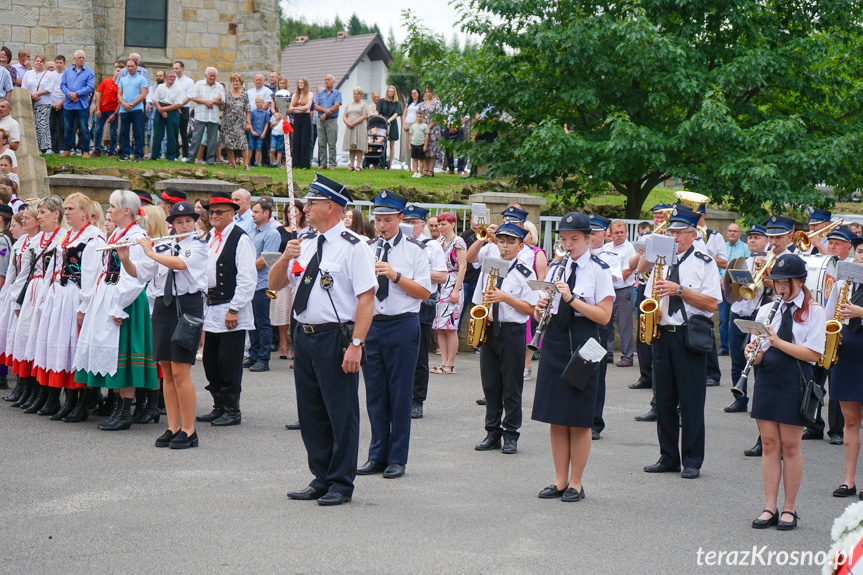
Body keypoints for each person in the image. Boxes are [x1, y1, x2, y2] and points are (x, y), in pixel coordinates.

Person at [270, 173, 375, 506]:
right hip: (305, 334)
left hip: (336, 335)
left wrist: (356, 344)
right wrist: (286, 257)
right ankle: (321, 476)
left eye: (312, 203)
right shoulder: (305, 242)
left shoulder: (354, 247)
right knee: (311, 410)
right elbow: (274, 285)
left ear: (330, 206)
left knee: (341, 413)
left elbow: (366, 299)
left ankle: (341, 483)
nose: (306, 208)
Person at [532, 212, 614, 502]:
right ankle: (559, 479)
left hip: (585, 340)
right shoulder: (556, 269)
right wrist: (541, 307)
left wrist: (571, 299)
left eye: (574, 239)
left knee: (578, 418)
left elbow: (604, 317)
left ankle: (576, 483)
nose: (568, 245)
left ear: (588, 239)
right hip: (555, 339)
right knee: (557, 416)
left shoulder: (599, 270)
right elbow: (539, 312)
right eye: (564, 240)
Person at [638, 205, 721, 479]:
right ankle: (668, 457)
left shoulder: (704, 261)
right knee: (664, 400)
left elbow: (711, 303)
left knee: (691, 402)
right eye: (671, 231)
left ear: (692, 234)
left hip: (688, 335)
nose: (673, 236)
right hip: (662, 333)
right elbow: (648, 291)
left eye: (678, 232)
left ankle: (693, 460)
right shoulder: (662, 259)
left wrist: (680, 291)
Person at [746, 254, 826, 530]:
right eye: (776, 282)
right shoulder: (767, 309)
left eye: (785, 283)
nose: (778, 288)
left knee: (791, 447)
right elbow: (759, 354)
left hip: (796, 380)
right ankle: (770, 506)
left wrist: (777, 341)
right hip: (768, 378)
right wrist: (752, 353)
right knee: (769, 444)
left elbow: (814, 354)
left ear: (800, 281)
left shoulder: (815, 311)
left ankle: (790, 507)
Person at [356, 190, 431, 479]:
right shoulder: (367, 248)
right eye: (378, 220)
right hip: (373, 325)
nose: (382, 226)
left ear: (401, 219)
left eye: (387, 220)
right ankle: (377, 454)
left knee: (399, 394)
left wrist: (394, 275)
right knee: (375, 394)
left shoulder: (415, 250)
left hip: (402, 324)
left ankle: (397, 458)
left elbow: (424, 292)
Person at [74, 190, 158, 430]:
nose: (108, 211)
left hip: (125, 300)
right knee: (111, 355)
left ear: (126, 211)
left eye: (112, 207)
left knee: (125, 357)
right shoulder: (118, 233)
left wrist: (119, 306)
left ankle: (124, 411)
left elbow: (137, 276)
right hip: (108, 295)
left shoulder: (138, 237)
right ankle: (118, 408)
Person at [126, 201, 208, 448]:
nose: (184, 225)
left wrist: (150, 252)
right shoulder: (164, 245)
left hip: (188, 307)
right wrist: (125, 257)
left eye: (188, 221)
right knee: (168, 373)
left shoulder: (200, 247)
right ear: (171, 225)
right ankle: (172, 427)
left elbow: (181, 265)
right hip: (163, 308)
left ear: (194, 223)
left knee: (182, 372)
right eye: (179, 222)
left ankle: (189, 430)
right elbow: (140, 272)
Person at [29, 194, 105, 421]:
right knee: (58, 344)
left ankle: (80, 401)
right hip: (58, 296)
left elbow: (91, 275)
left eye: (71, 208)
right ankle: (63, 399)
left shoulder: (93, 238)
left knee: (74, 347)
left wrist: (84, 305)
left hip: (75, 297)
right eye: (66, 208)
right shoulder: (67, 236)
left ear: (85, 212)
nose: (67, 212)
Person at [472, 224, 539, 454]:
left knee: (511, 387)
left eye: (511, 242)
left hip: (512, 332)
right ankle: (492, 432)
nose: (505, 246)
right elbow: (479, 298)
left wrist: (505, 298)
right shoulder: (489, 267)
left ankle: (511, 434)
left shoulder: (525, 273)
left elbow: (532, 310)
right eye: (501, 241)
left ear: (520, 247)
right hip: (489, 329)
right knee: (491, 386)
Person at [196, 192, 256, 427]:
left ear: (232, 214)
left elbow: (247, 278)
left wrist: (235, 308)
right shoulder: (211, 237)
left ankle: (232, 409)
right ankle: (218, 405)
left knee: (228, 362)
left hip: (230, 308)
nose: (214, 216)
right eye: (211, 212)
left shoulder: (240, 239)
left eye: (220, 212)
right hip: (212, 307)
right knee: (211, 361)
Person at [10, 196, 66, 415]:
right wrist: (17, 297)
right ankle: (32, 390)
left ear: (56, 214)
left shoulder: (63, 237)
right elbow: (25, 270)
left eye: (42, 212)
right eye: (39, 212)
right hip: (32, 290)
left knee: (43, 341)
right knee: (29, 340)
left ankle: (47, 395)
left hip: (48, 290)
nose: (39, 216)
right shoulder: (38, 239)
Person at [804, 225, 853, 444]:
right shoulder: (819, 264)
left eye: (837, 244)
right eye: (830, 243)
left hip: (840, 329)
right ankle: (813, 425)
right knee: (815, 379)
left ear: (849, 248)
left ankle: (836, 429)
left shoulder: (850, 269)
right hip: (818, 325)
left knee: (836, 382)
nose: (832, 247)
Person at [826, 237, 863, 498]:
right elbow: (829, 317)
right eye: (861, 252)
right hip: (847, 353)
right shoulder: (843, 282)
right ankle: (849, 480)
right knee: (850, 419)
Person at [403, 205, 447, 419]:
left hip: (424, 302)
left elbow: (441, 276)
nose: (410, 227)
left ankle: (417, 400)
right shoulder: (399, 245)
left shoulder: (432, 247)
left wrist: (416, 273)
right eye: (407, 223)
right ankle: (401, 396)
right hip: (402, 301)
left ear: (423, 225)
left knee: (419, 354)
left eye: (414, 224)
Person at [726, 224, 771, 414]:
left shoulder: (771, 262)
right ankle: (740, 398)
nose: (752, 240)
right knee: (737, 358)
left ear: (766, 241)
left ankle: (762, 402)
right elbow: (732, 289)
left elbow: (773, 286)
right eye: (750, 237)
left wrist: (765, 273)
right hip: (738, 312)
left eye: (757, 237)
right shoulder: (741, 261)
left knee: (759, 360)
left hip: (758, 314)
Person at [244, 199, 281, 372]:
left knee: (263, 322)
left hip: (264, 284)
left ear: (266, 213)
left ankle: (263, 359)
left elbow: (268, 259)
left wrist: (244, 267)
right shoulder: (252, 232)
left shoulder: (272, 234)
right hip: (251, 283)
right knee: (252, 322)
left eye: (256, 212)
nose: (252, 214)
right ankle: (253, 355)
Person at [431, 212, 466, 375]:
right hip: (440, 285)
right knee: (440, 327)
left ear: (453, 224)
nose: (440, 227)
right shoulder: (438, 242)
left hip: (452, 284)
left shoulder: (458, 242)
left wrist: (456, 290)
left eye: (443, 224)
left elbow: (463, 267)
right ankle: (443, 361)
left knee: (450, 326)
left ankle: (450, 364)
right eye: (439, 224)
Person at [604, 219, 637, 367]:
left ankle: (628, 357)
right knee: (606, 324)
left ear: (626, 233)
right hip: (607, 291)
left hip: (623, 290)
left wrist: (608, 280)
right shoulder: (606, 247)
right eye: (616, 232)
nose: (619, 235)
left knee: (624, 325)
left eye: (622, 232)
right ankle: (607, 353)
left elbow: (627, 271)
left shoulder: (630, 249)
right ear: (610, 233)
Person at [718, 223, 750, 355]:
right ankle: (724, 347)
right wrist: (720, 279)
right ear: (726, 233)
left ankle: (736, 347)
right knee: (723, 319)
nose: (732, 233)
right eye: (730, 231)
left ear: (739, 234)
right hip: (723, 287)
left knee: (737, 317)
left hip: (739, 288)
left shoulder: (746, 248)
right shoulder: (721, 248)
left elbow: (747, 266)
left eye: (735, 231)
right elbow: (716, 266)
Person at [184, 67, 224, 166]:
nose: (212, 77)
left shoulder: (219, 86)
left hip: (213, 116)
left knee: (212, 140)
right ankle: (190, 158)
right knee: (196, 139)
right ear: (206, 75)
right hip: (200, 115)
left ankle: (210, 160)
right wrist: (206, 102)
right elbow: (194, 97)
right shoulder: (198, 84)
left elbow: (223, 101)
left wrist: (213, 101)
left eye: (214, 76)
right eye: (211, 75)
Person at [60, 51, 95, 158]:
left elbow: (90, 87)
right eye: (79, 57)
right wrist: (70, 94)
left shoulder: (90, 72)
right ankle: (67, 150)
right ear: (74, 59)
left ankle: (85, 151)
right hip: (69, 104)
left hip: (82, 105)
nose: (81, 59)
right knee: (68, 129)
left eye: (83, 58)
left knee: (84, 129)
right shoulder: (67, 72)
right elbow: (63, 85)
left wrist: (77, 94)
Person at [22, 55, 57, 154]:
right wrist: (31, 95)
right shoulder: (28, 73)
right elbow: (24, 87)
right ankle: (32, 147)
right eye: (37, 61)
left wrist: (37, 94)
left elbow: (49, 88)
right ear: (34, 62)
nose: (38, 63)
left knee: (41, 125)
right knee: (31, 125)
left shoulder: (49, 74)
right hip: (30, 102)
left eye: (41, 61)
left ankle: (43, 148)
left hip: (43, 102)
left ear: (44, 63)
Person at [116, 58, 149, 162]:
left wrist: (132, 104)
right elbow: (119, 94)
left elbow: (143, 94)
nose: (130, 68)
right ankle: (125, 154)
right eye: (128, 66)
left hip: (137, 109)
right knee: (124, 132)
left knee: (138, 132)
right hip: (124, 109)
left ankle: (138, 155)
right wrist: (124, 104)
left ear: (136, 67)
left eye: (132, 66)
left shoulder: (141, 79)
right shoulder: (123, 79)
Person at [220, 73, 252, 169]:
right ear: (231, 82)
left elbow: (248, 109)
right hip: (227, 122)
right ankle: (233, 163)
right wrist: (219, 102)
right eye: (233, 81)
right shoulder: (226, 94)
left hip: (239, 122)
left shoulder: (244, 95)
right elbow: (222, 107)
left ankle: (246, 164)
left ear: (240, 82)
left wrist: (248, 122)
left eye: (237, 81)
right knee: (228, 143)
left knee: (243, 143)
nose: (235, 83)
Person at [150, 70, 183, 161]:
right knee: (157, 133)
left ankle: (171, 156)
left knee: (172, 134)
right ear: (166, 78)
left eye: (174, 77)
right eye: (170, 76)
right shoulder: (160, 87)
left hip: (172, 111)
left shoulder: (178, 89)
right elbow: (155, 100)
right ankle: (154, 155)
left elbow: (177, 104)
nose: (172, 79)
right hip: (160, 109)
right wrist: (160, 110)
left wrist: (163, 110)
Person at [92, 62, 122, 157]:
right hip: (103, 109)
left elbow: (121, 100)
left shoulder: (121, 85)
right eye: (117, 71)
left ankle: (111, 151)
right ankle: (97, 150)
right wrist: (98, 108)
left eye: (121, 72)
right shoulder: (105, 82)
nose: (118, 73)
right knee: (98, 130)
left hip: (113, 110)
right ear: (114, 71)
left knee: (113, 132)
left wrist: (115, 113)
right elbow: (98, 93)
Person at [313, 74, 342, 170]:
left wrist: (325, 114)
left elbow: (336, 105)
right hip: (320, 121)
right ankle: (323, 163)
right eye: (325, 80)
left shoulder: (337, 93)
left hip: (331, 120)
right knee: (321, 143)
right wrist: (325, 110)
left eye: (328, 80)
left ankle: (333, 164)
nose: (326, 81)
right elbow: (316, 106)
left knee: (332, 143)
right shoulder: (320, 94)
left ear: (333, 81)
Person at [342, 87, 370, 171]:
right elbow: (344, 115)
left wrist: (354, 123)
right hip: (349, 127)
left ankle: (358, 166)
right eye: (354, 93)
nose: (355, 95)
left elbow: (364, 116)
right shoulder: (349, 104)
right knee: (352, 147)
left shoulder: (364, 104)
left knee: (358, 147)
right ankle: (351, 165)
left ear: (361, 95)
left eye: (357, 94)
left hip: (359, 126)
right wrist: (347, 123)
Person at [375, 85, 402, 168]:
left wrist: (389, 120)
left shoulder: (397, 103)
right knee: (381, 142)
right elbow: (377, 111)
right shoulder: (382, 101)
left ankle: (389, 163)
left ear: (394, 93)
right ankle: (380, 161)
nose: (390, 93)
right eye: (389, 91)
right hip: (382, 123)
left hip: (392, 123)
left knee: (391, 144)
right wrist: (377, 120)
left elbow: (396, 113)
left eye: (392, 91)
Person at [172, 61, 194, 160]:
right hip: (173, 107)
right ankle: (175, 154)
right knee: (173, 131)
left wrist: (179, 105)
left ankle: (185, 155)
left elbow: (189, 96)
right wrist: (175, 106)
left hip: (184, 108)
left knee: (183, 132)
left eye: (177, 68)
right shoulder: (173, 80)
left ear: (182, 68)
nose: (175, 71)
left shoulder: (189, 81)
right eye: (174, 69)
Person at [289, 77, 313, 169]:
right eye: (299, 83)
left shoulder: (309, 94)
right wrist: (298, 109)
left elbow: (307, 107)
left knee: (305, 141)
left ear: (305, 84)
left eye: (302, 83)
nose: (300, 84)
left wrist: (295, 108)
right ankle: (296, 163)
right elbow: (291, 108)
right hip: (297, 118)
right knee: (296, 140)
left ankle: (304, 164)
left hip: (306, 118)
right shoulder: (295, 95)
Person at [418, 88, 442, 177]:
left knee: (432, 149)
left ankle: (430, 171)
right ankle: (425, 169)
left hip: (433, 129)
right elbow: (419, 115)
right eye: (426, 92)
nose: (428, 93)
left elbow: (437, 116)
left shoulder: (437, 103)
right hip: (423, 129)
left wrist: (428, 127)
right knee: (425, 149)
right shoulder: (422, 104)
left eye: (429, 92)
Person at [400, 88, 422, 170]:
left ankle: (414, 165)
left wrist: (414, 125)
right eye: (412, 93)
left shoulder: (421, 104)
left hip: (415, 125)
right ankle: (408, 165)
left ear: (418, 94)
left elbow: (420, 115)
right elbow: (404, 114)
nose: (413, 95)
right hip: (407, 125)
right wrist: (404, 124)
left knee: (414, 145)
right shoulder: (408, 104)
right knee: (407, 145)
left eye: (415, 93)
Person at [49, 55, 66, 155]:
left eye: (60, 63)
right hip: (52, 102)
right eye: (57, 63)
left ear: (64, 64)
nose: (58, 65)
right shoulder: (51, 75)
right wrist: (53, 103)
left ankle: (61, 147)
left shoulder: (66, 74)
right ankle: (52, 146)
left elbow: (68, 91)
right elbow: (48, 89)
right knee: (52, 126)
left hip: (63, 103)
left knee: (62, 126)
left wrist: (60, 103)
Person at [249, 96, 270, 167]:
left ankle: (257, 162)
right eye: (257, 102)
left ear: (263, 103)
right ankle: (248, 161)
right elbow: (250, 122)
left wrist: (264, 132)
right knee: (251, 147)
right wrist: (252, 131)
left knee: (258, 148)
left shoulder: (266, 113)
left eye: (259, 102)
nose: (258, 104)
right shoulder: (253, 112)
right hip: (253, 132)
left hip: (260, 133)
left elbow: (267, 123)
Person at [409, 109, 429, 178]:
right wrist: (409, 144)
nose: (419, 118)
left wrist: (425, 145)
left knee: (421, 159)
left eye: (420, 117)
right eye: (417, 116)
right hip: (414, 143)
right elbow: (411, 135)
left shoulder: (425, 126)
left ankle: (420, 172)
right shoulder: (413, 126)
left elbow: (426, 135)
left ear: (423, 117)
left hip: (421, 144)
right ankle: (415, 171)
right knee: (414, 159)